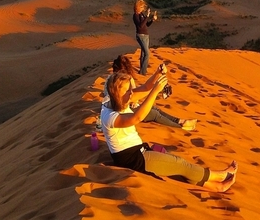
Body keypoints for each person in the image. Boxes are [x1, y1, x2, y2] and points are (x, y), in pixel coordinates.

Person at [101, 70, 237, 192]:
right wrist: (155, 92)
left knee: (175, 167)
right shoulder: (110, 117)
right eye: (127, 90)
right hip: (133, 158)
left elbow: (145, 88)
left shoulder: (117, 100)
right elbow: (137, 117)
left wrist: (158, 74)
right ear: (117, 93)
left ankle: (215, 186)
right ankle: (219, 175)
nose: (132, 92)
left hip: (137, 150)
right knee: (180, 164)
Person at [108, 54, 197, 131]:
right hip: (125, 114)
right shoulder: (115, 85)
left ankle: (179, 121)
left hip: (128, 108)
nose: (130, 92)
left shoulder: (124, 81)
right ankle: (179, 128)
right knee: (154, 114)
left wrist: (157, 74)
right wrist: (154, 91)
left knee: (155, 109)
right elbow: (136, 115)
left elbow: (143, 88)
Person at [132, 0, 157, 75]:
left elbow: (146, 25)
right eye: (142, 6)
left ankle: (141, 71)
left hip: (146, 35)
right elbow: (140, 26)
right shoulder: (135, 16)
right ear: (138, 6)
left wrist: (152, 20)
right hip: (140, 36)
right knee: (147, 53)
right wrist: (147, 16)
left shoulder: (142, 14)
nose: (143, 8)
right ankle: (143, 72)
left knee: (143, 53)